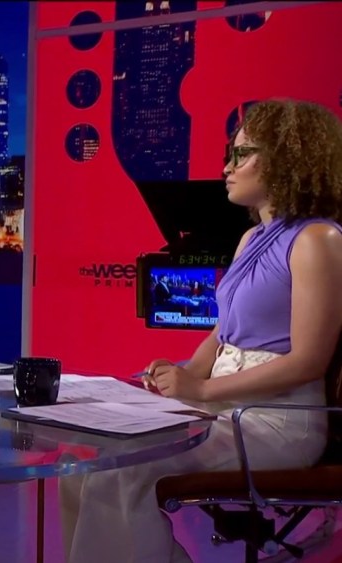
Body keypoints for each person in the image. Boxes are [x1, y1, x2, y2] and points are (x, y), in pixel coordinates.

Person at [59, 98, 342, 562]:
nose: (227, 167)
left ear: (286, 160)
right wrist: (184, 375)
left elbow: (308, 361)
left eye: (242, 154)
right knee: (82, 461)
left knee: (125, 470)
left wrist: (202, 389)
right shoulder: (250, 238)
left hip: (277, 420)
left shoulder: (318, 239)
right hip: (224, 405)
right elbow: (222, 332)